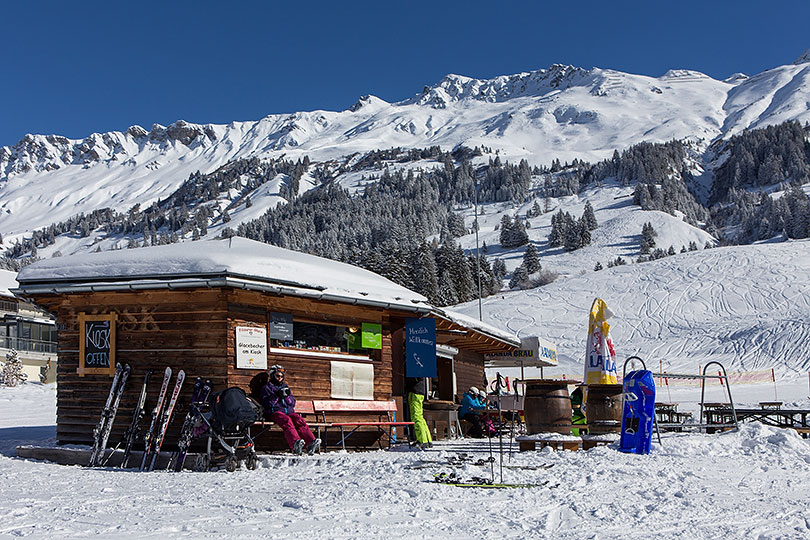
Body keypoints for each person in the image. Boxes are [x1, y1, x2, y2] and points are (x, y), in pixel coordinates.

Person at [259, 364, 321, 455]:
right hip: (275, 412)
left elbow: (292, 403)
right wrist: (276, 396)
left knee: (298, 419)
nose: (280, 378)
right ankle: (295, 443)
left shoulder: (285, 387)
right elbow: (267, 404)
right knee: (287, 420)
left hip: (288, 411)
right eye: (277, 376)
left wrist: (287, 396)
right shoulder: (267, 388)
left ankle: (310, 442)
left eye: (281, 376)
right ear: (272, 375)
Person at [405, 376, 432, 449]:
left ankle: (422, 440)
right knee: (420, 416)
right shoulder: (421, 367)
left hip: (415, 391)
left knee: (416, 416)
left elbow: (415, 378)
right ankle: (427, 439)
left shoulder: (415, 368)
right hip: (420, 391)